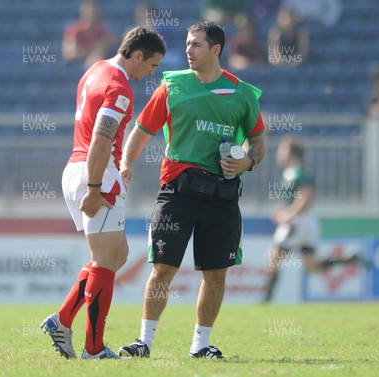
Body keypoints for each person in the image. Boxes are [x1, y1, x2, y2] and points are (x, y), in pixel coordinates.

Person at [117, 21, 266, 359]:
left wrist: (248, 164)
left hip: (222, 196)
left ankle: (200, 345)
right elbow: (140, 132)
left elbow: (258, 143)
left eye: (196, 44)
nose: (188, 50)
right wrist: (127, 164)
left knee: (216, 274)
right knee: (163, 268)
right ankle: (144, 342)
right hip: (177, 192)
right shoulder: (172, 87)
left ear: (216, 50)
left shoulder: (242, 93)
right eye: (187, 43)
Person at [41, 26, 166, 360]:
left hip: (75, 168)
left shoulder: (94, 69)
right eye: (150, 66)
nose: (149, 74)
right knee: (105, 263)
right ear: (137, 55)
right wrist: (96, 188)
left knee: (116, 255)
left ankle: (62, 320)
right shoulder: (120, 87)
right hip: (95, 172)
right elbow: (101, 139)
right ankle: (93, 349)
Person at [262, 136, 365, 302]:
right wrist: (283, 209)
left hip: (297, 224)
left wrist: (288, 214)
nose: (279, 154)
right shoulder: (290, 173)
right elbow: (295, 199)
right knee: (312, 267)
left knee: (272, 259)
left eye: (283, 151)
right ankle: (348, 259)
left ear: (293, 154)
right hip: (306, 224)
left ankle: (266, 300)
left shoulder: (298, 172)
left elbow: (305, 198)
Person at [62, 0, 117, 68]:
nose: (92, 16)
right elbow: (70, 53)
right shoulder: (74, 30)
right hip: (77, 65)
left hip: (99, 67)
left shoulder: (103, 30)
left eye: (94, 13)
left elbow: (111, 42)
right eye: (89, 13)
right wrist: (94, 50)